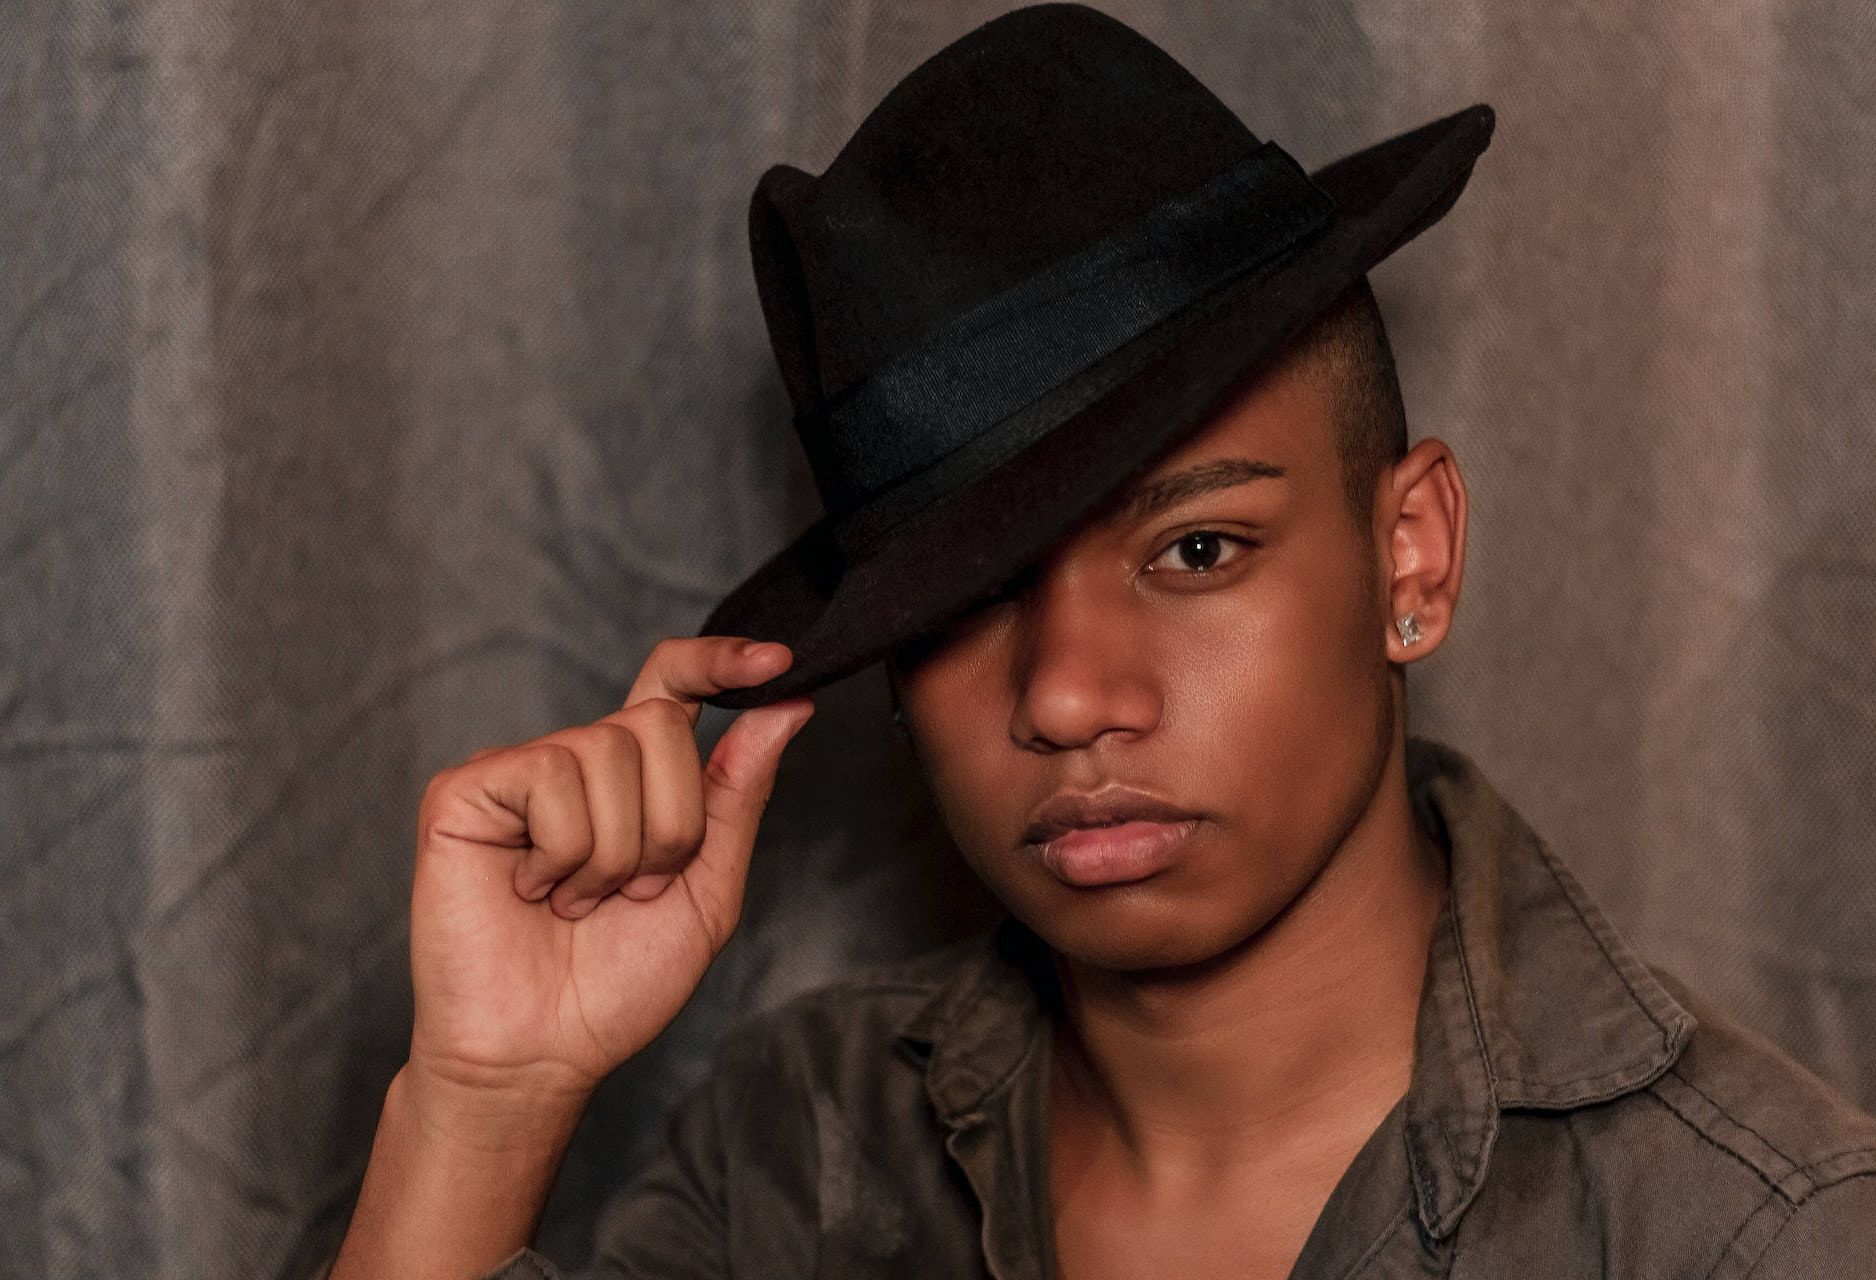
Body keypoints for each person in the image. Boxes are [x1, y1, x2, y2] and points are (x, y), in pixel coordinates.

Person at [325, 7, 1876, 1278]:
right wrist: (484, 1104)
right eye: (964, 597)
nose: (1068, 695)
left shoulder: (1748, 1234)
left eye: (1196, 550)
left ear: (1411, 554)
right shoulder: (799, 1152)